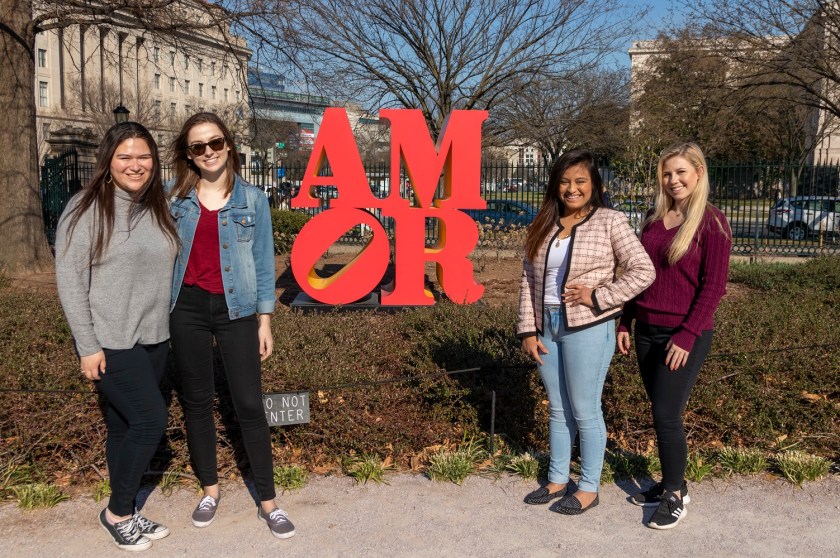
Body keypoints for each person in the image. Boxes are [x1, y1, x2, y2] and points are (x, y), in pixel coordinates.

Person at [168, 112, 294, 539]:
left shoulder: (253, 200)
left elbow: (263, 261)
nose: (208, 152)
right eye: (198, 146)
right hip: (185, 308)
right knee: (197, 402)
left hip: (236, 309)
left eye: (215, 142)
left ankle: (269, 501)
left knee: (249, 403)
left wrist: (265, 320)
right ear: (189, 154)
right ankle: (210, 489)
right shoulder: (174, 198)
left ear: (228, 145)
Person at [56, 122, 178, 551]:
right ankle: (118, 513)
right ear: (108, 160)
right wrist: (87, 345)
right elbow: (70, 280)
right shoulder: (86, 208)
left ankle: (127, 507)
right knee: (150, 420)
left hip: (154, 338)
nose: (135, 165)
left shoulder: (157, 206)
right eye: (125, 156)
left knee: (124, 426)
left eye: (144, 156)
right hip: (110, 340)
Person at [517, 150, 655, 514]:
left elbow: (643, 270)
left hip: (589, 327)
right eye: (564, 181)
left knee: (584, 409)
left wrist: (598, 296)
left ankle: (589, 487)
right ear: (555, 185)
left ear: (594, 185)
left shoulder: (610, 221)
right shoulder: (544, 223)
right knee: (558, 408)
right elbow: (527, 279)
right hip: (547, 326)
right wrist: (528, 329)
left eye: (580, 181)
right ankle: (557, 479)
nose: (572, 188)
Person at [617, 142, 731, 530]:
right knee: (661, 411)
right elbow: (637, 275)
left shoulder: (712, 223)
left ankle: (675, 495)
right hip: (646, 330)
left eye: (681, 172)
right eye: (667, 173)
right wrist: (625, 321)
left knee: (666, 415)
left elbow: (714, 287)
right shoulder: (653, 220)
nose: (673, 180)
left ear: (699, 173)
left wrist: (686, 335)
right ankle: (672, 482)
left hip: (684, 335)